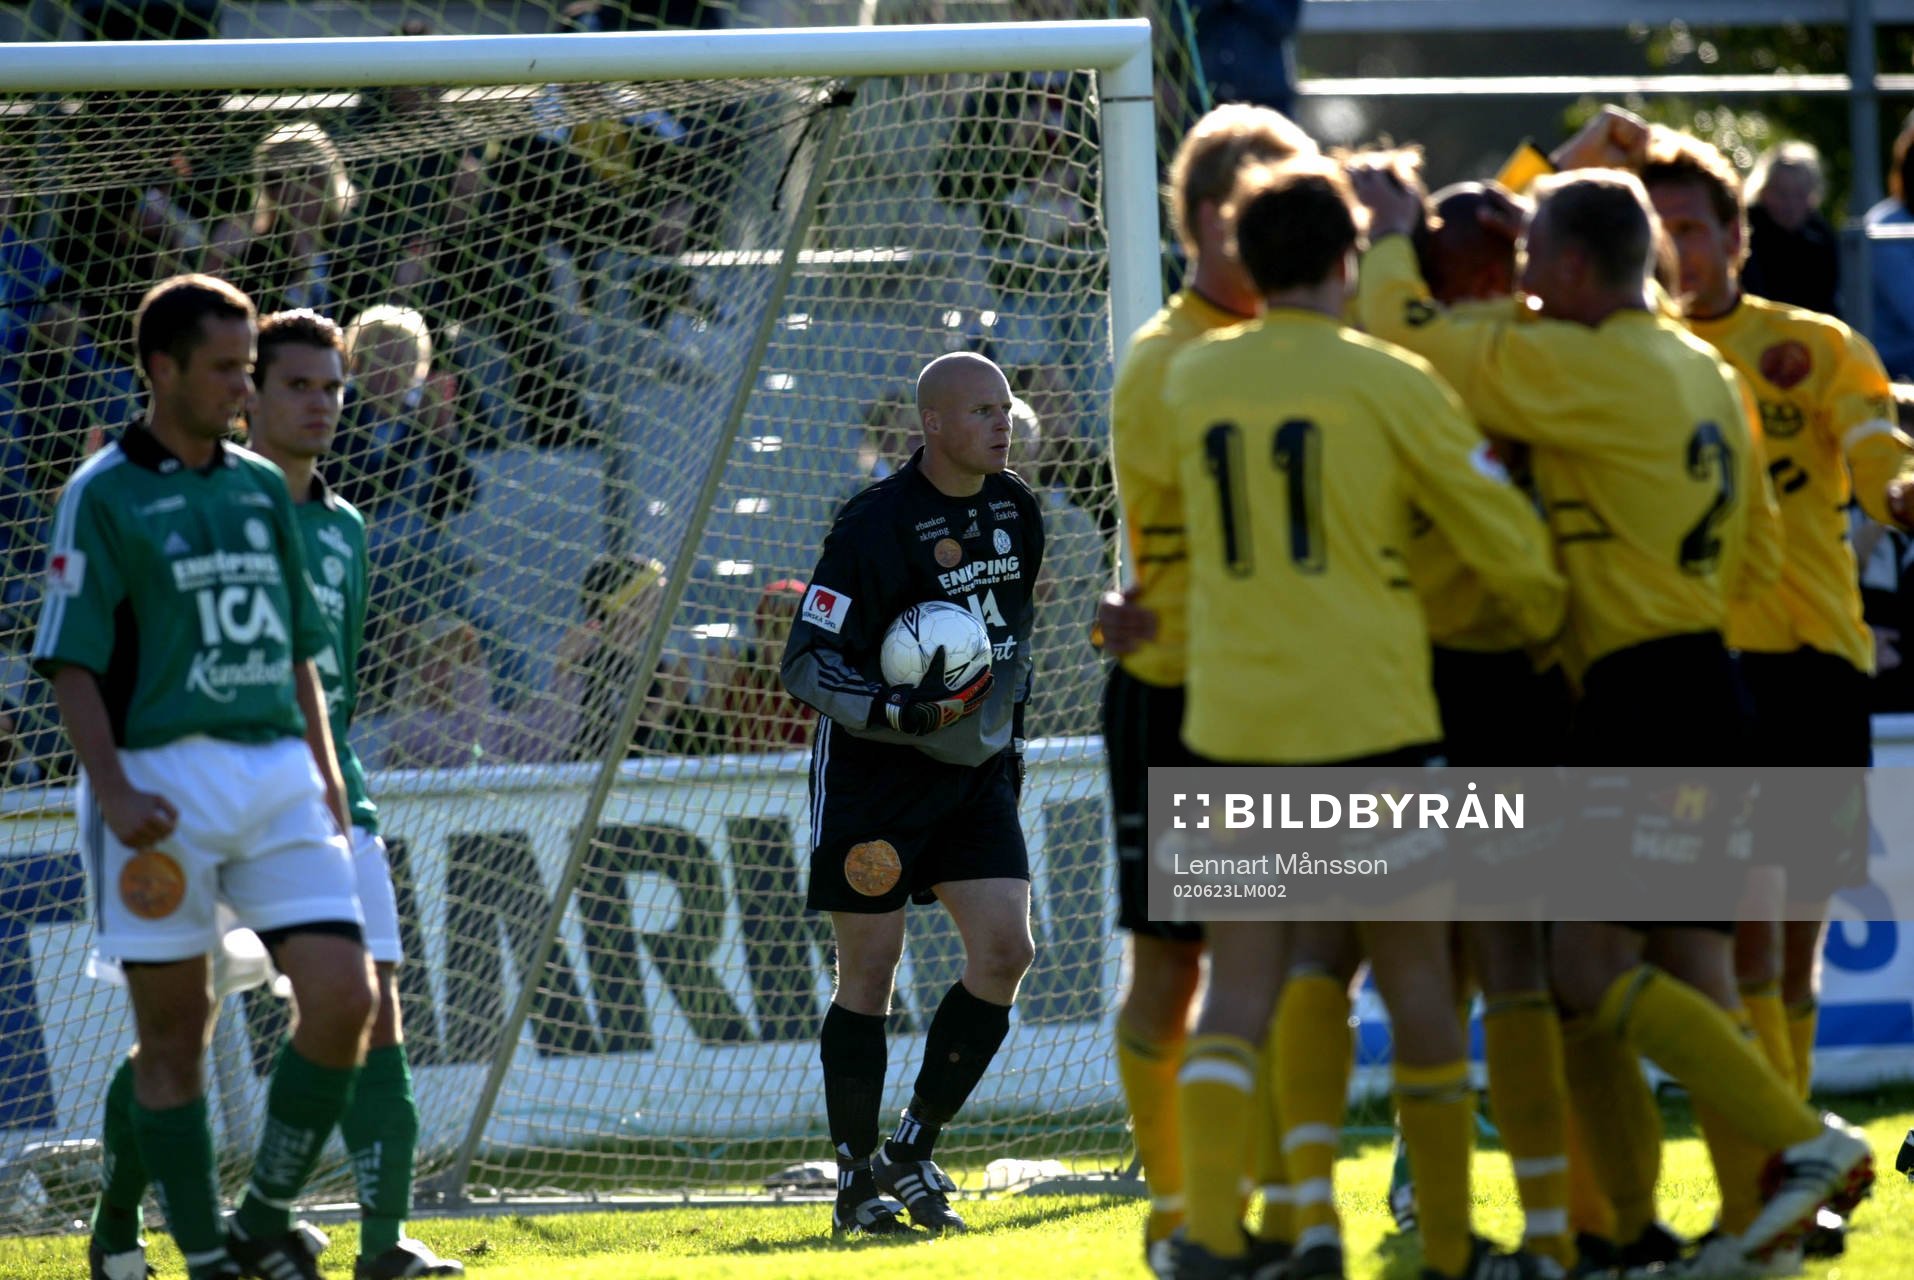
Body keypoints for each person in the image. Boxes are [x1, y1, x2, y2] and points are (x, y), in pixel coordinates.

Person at [1354, 166, 1874, 1268]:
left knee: (1583, 967)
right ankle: (1721, 1225)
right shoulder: (1696, 361)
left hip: (1637, 696)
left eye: (1538, 261)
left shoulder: (1592, 364)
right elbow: (1763, 549)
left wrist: (1395, 237)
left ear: (1579, 267)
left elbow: (1424, 347)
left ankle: (1805, 1141)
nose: (1528, 285)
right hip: (1710, 679)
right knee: (1692, 966)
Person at [1166, 158, 1566, 1280]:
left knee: (1240, 983)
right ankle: (1446, 1247)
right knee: (1417, 982)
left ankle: (1205, 1229)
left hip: (1234, 719)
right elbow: (1497, 525)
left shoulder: (1192, 381)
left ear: (1242, 257)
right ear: (1351, 257)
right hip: (1370, 715)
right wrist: (1543, 617)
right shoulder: (1388, 380)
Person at [34, 275, 375, 1280]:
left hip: (276, 772)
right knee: (175, 1038)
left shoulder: (259, 487)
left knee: (341, 998)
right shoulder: (103, 493)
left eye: (247, 367)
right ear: (163, 368)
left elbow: (303, 653)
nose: (242, 385)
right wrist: (114, 789)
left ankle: (264, 1210)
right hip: (156, 783)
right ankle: (201, 1251)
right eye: (227, 367)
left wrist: (324, 776)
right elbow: (71, 662)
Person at [1639, 126, 1914, 1260]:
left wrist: (1900, 490)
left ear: (1739, 235)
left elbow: (1876, 448)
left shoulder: (1811, 344)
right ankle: (1778, 1166)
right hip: (1704, 671)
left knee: (1787, 946)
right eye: (1657, 230)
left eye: (1695, 227)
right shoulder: (1619, 355)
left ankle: (1792, 1180)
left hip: (1815, 668)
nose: (1678, 250)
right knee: (1739, 938)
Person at [1096, 101, 1316, 1278]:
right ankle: (1178, 1212)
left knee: (1275, 966)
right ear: (1199, 223)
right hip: (1182, 699)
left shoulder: (1306, 344)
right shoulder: (1168, 363)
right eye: (1253, 215)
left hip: (1282, 697)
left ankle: (1275, 1214)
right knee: (1178, 968)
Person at [780, 350, 1043, 1239]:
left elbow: (1011, 649)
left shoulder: (1017, 511)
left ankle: (911, 1146)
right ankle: (855, 1184)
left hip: (974, 774)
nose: (1001, 423)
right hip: (874, 777)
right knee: (872, 969)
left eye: (1005, 409)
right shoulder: (871, 525)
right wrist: (895, 706)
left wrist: (1003, 750)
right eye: (981, 411)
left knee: (1006, 951)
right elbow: (805, 660)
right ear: (932, 425)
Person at [244, 308, 465, 1278]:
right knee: (176, 1031)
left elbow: (340, 674)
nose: (323, 401)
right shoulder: (203, 509)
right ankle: (122, 1231)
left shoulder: (345, 527)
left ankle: (383, 1246)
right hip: (220, 797)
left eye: (334, 386)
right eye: (298, 384)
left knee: (378, 1011)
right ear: (244, 392)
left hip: (338, 798)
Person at [1741, 141, 1840, 317]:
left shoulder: (1821, 238)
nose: (1790, 204)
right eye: (1781, 193)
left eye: (1799, 194)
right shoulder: (1744, 234)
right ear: (1763, 191)